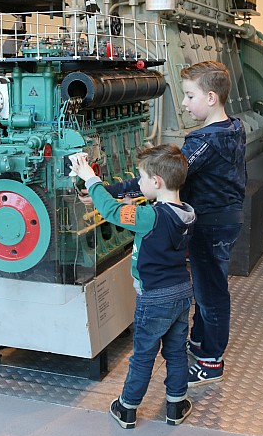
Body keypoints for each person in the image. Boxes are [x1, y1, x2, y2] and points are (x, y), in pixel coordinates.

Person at [98, 61, 246, 387]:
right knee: (210, 286)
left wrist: (107, 191)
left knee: (211, 294)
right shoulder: (234, 127)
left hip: (211, 225)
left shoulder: (204, 141)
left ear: (210, 97)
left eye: (189, 95)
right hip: (226, 219)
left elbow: (163, 179)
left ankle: (210, 362)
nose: (183, 102)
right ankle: (200, 343)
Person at [71, 144, 195, 429]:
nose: (138, 184)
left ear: (157, 182)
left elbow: (113, 213)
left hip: (154, 300)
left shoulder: (150, 217)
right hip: (181, 293)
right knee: (176, 352)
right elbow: (143, 218)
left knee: (143, 356)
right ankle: (176, 405)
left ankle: (126, 408)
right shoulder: (186, 212)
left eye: (141, 179)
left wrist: (91, 179)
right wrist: (105, 197)